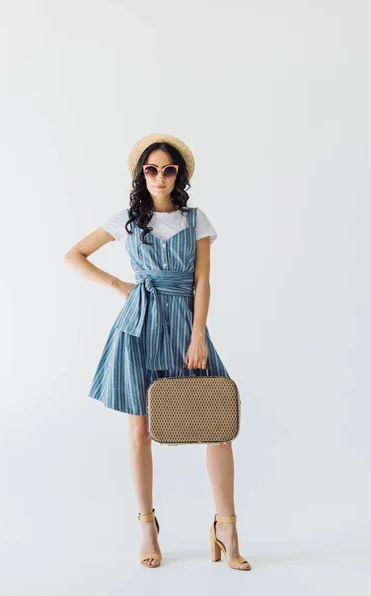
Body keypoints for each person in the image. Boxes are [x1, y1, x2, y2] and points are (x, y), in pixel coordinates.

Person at [64, 133, 251, 571]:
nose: (160, 176)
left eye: (169, 170)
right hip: (139, 326)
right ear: (141, 174)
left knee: (217, 423)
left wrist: (199, 335)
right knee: (139, 428)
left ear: (179, 175)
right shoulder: (127, 220)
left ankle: (226, 526)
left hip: (187, 326)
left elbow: (203, 282)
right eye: (152, 169)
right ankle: (147, 525)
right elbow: (74, 255)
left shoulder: (195, 219)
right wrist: (120, 286)